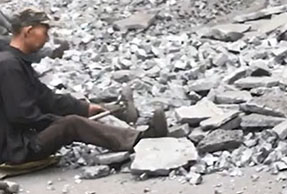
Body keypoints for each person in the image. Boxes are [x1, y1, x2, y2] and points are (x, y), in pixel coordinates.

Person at [0, 9, 166, 166]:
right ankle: (138, 139)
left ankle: (119, 113)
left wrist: (84, 108)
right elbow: (22, 115)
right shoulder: (9, 66)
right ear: (28, 31)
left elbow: (47, 98)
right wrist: (58, 122)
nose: (47, 38)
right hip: (17, 148)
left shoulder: (17, 62)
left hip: (21, 139)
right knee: (72, 123)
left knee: (76, 112)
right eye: (45, 32)